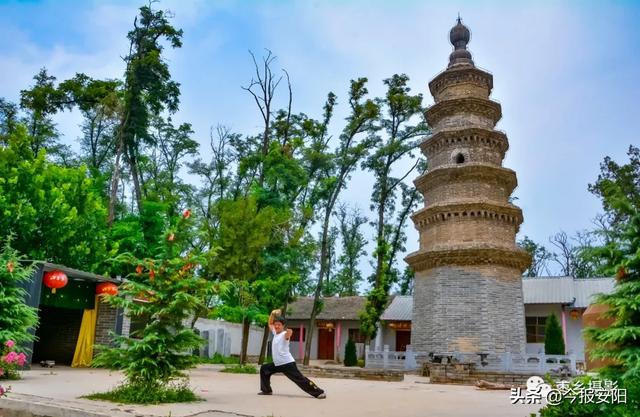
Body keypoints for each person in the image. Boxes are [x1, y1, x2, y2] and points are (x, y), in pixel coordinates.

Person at [258, 309, 326, 399]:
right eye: (276, 325)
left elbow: (288, 335)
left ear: (283, 326)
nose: (277, 326)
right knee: (264, 369)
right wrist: (272, 313)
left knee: (300, 379)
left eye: (279, 325)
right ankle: (266, 390)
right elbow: (270, 323)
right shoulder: (275, 333)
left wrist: (289, 333)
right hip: (277, 364)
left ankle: (319, 392)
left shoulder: (284, 334)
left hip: (287, 364)